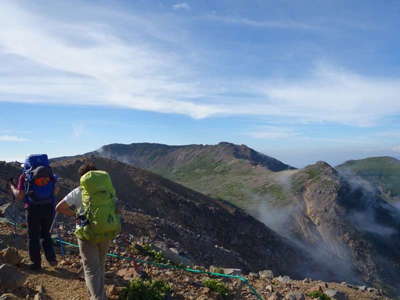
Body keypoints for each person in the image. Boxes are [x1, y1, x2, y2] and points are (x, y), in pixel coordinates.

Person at [56, 162, 121, 300]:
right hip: (105, 231)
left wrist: (76, 215)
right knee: (100, 266)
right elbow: (117, 209)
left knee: (91, 269)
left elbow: (59, 207)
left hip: (86, 234)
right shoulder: (107, 190)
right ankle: (98, 294)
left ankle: (98, 297)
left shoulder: (79, 191)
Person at [10, 154, 58, 271]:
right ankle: (52, 259)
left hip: (32, 208)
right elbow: (56, 190)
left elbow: (20, 195)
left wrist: (12, 187)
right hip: (48, 207)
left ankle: (36, 263)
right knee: (46, 234)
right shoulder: (50, 174)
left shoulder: (25, 176)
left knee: (33, 236)